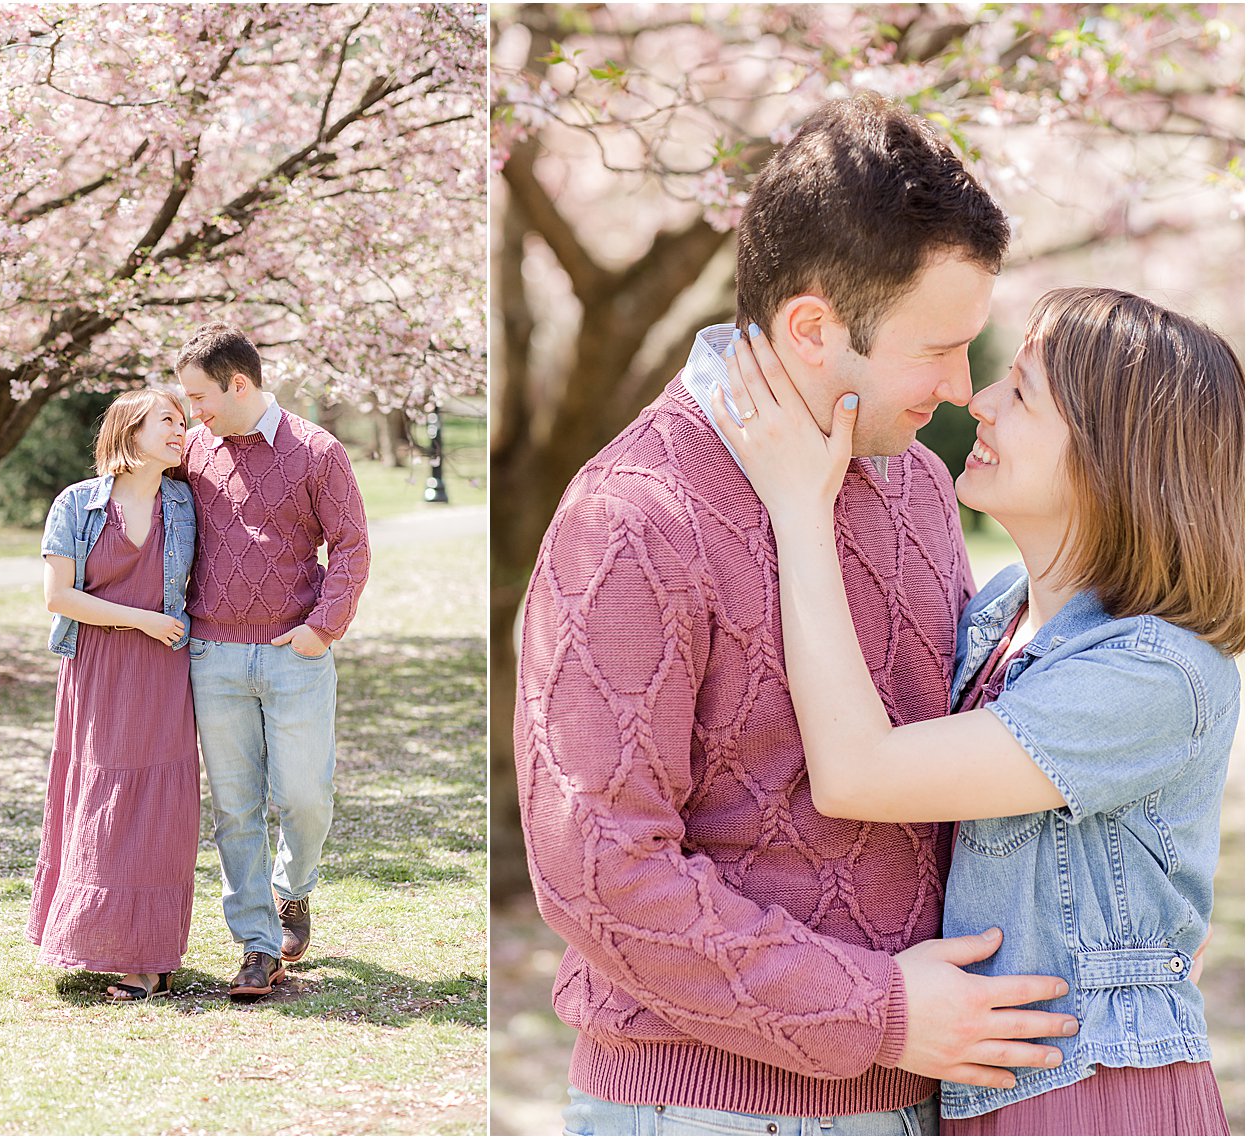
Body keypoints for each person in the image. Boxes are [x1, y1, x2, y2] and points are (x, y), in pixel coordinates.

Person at [515, 93, 1079, 1137]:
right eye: (934, 349)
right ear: (812, 326)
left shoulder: (910, 480)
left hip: (924, 1093)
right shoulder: (631, 516)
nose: (960, 388)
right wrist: (880, 1009)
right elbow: (596, 871)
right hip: (707, 1109)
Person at [709, 287, 1242, 1136]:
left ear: (1112, 457)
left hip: (1090, 1095)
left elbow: (858, 772)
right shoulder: (997, 614)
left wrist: (797, 505)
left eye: (1022, 393)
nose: (979, 400)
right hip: (997, 1089)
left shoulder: (1156, 669)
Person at [172, 322, 370, 1001]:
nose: (192, 411)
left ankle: (295, 891)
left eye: (200, 396)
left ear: (240, 384)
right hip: (213, 654)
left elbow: (350, 546)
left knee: (305, 797)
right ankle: (258, 944)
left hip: (295, 654)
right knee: (235, 807)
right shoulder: (191, 451)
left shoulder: (318, 451)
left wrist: (323, 629)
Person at [27, 388, 200, 1002]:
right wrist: (141, 621)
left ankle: (149, 956)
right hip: (100, 669)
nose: (181, 431)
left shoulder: (186, 502)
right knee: (103, 792)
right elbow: (59, 598)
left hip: (164, 674)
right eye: (167, 422)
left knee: (160, 805)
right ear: (130, 432)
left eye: (184, 422)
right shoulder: (77, 505)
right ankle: (102, 938)